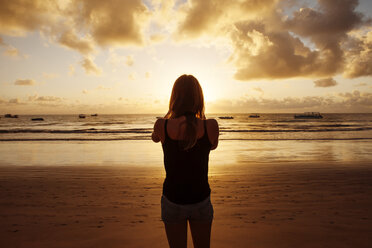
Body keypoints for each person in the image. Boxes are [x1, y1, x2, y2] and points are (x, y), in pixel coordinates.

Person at [152, 74, 219, 248]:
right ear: (199, 97)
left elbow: (154, 138)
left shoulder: (162, 125)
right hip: (200, 198)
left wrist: (169, 117)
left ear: (174, 97)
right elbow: (212, 146)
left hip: (172, 199)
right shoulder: (210, 126)